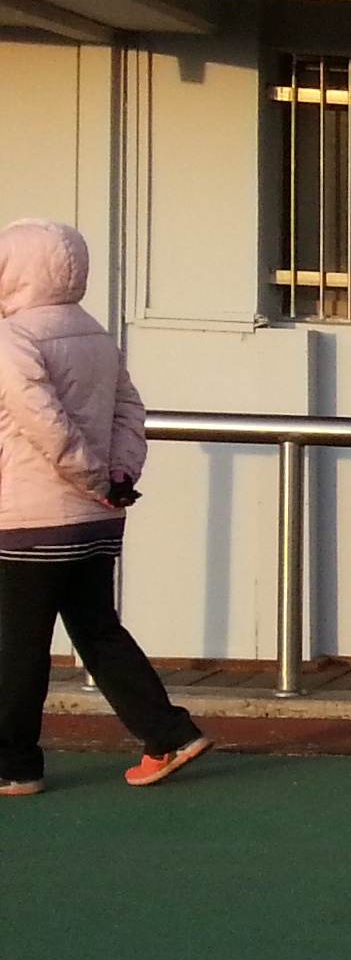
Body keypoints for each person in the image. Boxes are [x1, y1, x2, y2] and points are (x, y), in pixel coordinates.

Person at [0, 220, 206, 796]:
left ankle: (14, 765)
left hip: (30, 517)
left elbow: (43, 422)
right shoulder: (95, 334)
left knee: (18, 646)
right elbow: (129, 411)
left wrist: (94, 476)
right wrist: (117, 478)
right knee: (97, 631)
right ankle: (169, 733)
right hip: (96, 517)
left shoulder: (13, 339)